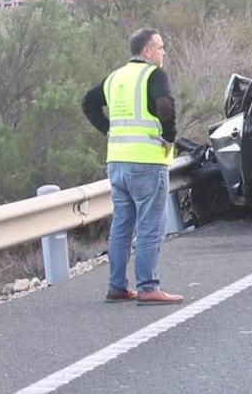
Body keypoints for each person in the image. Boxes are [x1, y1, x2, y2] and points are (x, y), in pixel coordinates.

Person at [82, 28, 184, 306]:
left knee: (122, 226)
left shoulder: (115, 78)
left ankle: (117, 287)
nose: (164, 52)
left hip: (117, 161)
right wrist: (169, 137)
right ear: (147, 51)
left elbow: (88, 103)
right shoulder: (154, 75)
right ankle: (149, 287)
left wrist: (108, 130)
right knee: (150, 225)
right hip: (147, 161)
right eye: (161, 47)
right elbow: (166, 104)